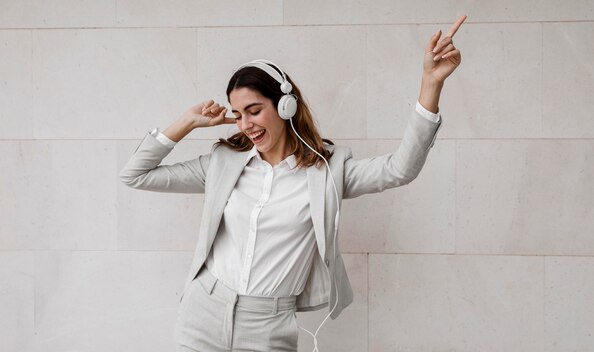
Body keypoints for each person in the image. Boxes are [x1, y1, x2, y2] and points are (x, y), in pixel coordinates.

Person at [119, 15, 467, 352]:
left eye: (254, 110)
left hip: (269, 326)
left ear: (286, 106)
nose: (246, 125)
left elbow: (400, 169)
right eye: (238, 115)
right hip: (203, 312)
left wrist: (430, 84)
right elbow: (135, 175)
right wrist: (186, 123)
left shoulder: (327, 172)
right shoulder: (222, 163)